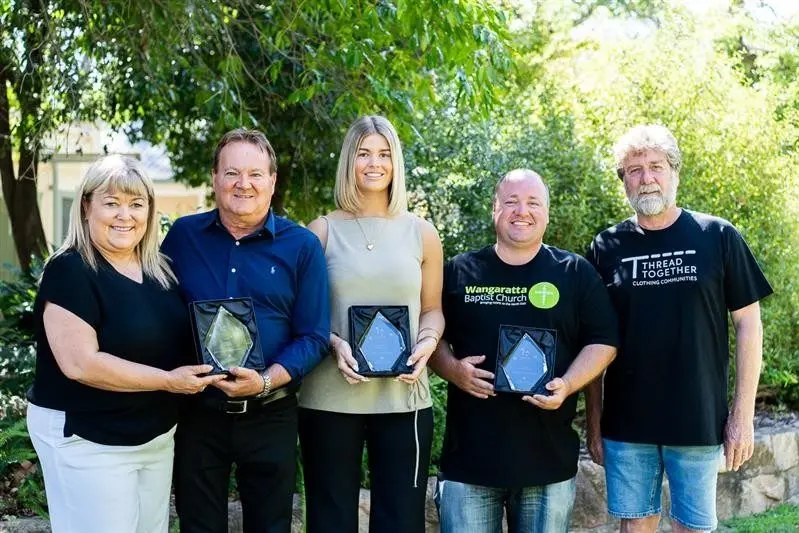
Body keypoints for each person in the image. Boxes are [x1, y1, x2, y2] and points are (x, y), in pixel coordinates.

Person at [586, 124, 773, 533]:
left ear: (674, 173)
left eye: (656, 166)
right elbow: (594, 342)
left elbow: (748, 324)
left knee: (693, 527)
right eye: (634, 170)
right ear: (623, 181)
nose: (646, 177)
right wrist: (594, 420)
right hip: (627, 424)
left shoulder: (717, 236)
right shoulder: (606, 247)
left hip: (698, 419)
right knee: (636, 527)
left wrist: (742, 415)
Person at [25, 155, 223, 533]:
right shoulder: (71, 269)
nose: (124, 215)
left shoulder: (159, 270)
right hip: (88, 438)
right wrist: (168, 381)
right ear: (87, 206)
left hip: (154, 438)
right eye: (111, 203)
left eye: (136, 204)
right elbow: (80, 363)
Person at [429, 169, 618, 533]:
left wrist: (568, 383)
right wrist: (451, 368)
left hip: (547, 466)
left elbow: (603, 341)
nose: (522, 211)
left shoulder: (575, 272)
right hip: (469, 464)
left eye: (533, 202)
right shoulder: (459, 271)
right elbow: (430, 334)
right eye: (511, 202)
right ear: (494, 209)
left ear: (547, 213)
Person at [161, 128, 330, 533]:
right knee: (198, 525)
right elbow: (158, 314)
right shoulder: (182, 237)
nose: (244, 184)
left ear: (272, 181)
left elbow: (315, 336)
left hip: (271, 411)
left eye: (255, 174)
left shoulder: (302, 246)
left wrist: (266, 381)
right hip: (198, 412)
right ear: (215, 179)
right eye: (232, 172)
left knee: (271, 527)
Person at [297, 115, 444, 533]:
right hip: (329, 398)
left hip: (404, 400)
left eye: (383, 154)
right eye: (363, 153)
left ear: (395, 162)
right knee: (330, 521)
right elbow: (305, 318)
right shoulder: (320, 233)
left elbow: (432, 309)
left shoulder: (422, 233)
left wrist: (428, 342)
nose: (374, 163)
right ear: (349, 161)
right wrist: (332, 342)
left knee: (400, 521)